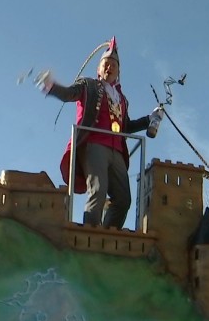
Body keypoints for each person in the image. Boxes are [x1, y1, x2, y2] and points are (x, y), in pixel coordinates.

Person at [35, 37, 164, 228]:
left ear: (118, 71)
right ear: (99, 69)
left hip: (117, 150)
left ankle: (108, 234)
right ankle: (90, 233)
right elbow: (69, 94)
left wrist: (149, 119)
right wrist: (51, 86)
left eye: (113, 64)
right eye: (105, 64)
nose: (109, 67)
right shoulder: (88, 85)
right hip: (94, 144)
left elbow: (125, 126)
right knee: (98, 191)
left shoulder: (122, 99)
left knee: (123, 199)